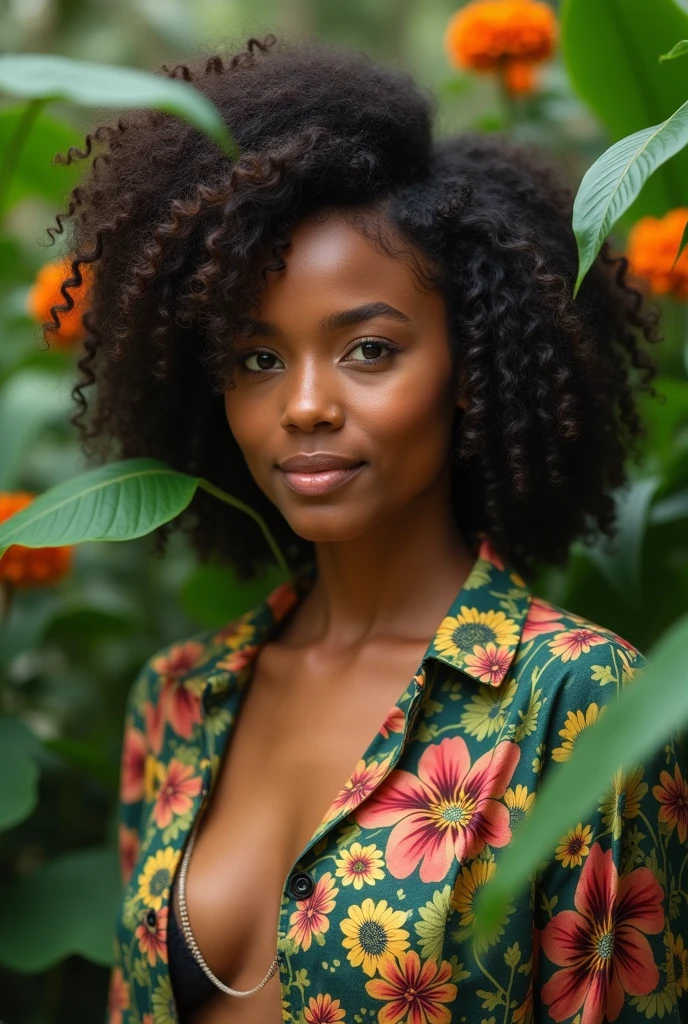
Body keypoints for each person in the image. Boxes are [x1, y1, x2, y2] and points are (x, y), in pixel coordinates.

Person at [47, 33, 687, 1024]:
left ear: (469, 367)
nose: (304, 405)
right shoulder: (177, 701)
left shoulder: (577, 702)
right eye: (258, 360)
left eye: (368, 349)